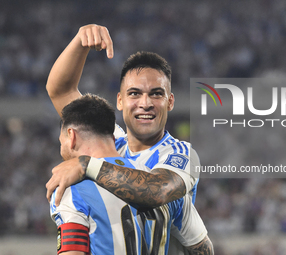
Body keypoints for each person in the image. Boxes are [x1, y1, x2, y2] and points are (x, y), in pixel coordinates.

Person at [45, 24, 213, 254]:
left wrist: (86, 164)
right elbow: (61, 91)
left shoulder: (179, 154)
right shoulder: (112, 143)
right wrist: (79, 43)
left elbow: (156, 192)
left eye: (156, 93)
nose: (145, 103)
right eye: (134, 93)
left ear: (170, 102)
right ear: (120, 101)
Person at [51, 93, 209, 255]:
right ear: (112, 137)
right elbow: (203, 248)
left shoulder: (71, 189)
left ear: (71, 136)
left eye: (60, 142)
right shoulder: (159, 180)